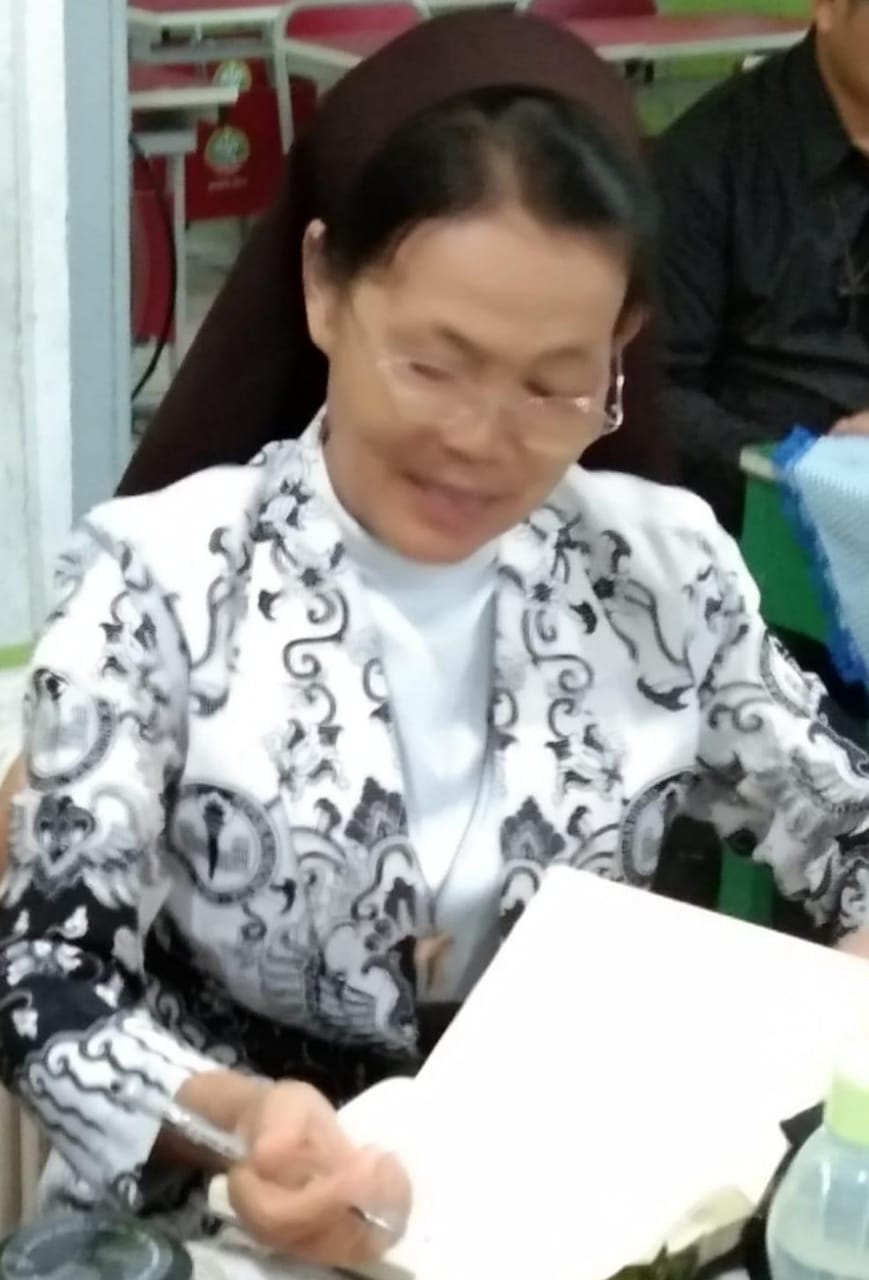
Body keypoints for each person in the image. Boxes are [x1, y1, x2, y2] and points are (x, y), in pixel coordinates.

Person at [2, 10, 869, 1274]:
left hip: (578, 1205)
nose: (480, 439)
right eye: (431, 363)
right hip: (225, 1218)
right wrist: (233, 1124)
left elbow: (847, 828)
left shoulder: (659, 572)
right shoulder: (162, 581)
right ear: (323, 286)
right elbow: (49, 975)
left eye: (552, 383)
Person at [655, 0, 869, 540]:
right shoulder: (704, 160)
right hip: (761, 512)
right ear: (828, 7)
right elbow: (652, 394)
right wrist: (803, 464)